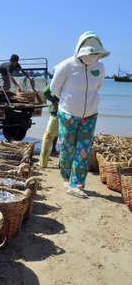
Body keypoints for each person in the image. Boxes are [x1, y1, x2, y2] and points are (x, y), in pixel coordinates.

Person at [50, 31, 110, 198]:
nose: (94, 56)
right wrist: (70, 101)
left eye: (96, 53)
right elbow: (55, 89)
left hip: (90, 114)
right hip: (68, 113)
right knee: (67, 148)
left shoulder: (100, 67)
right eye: (91, 52)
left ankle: (76, 183)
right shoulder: (66, 66)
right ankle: (65, 176)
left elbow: (98, 86)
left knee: (83, 149)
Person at [38, 83, 59, 168]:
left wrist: (53, 100)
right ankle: (63, 164)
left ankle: (43, 163)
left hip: (56, 112)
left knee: (48, 137)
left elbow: (45, 91)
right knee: (66, 139)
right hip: (71, 114)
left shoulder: (61, 78)